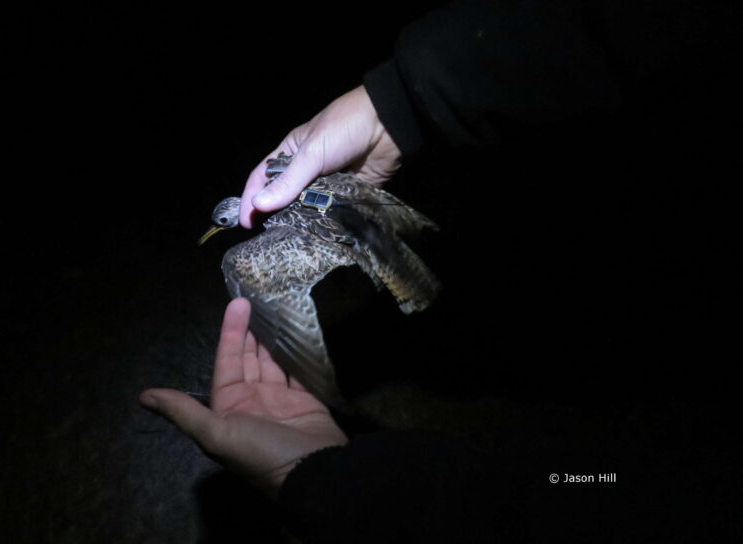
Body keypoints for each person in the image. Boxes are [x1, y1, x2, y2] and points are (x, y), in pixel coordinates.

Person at [141, 1, 739, 540]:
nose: (227, 222)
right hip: (367, 217)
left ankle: (596, 478)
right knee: (587, 482)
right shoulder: (272, 222)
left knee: (584, 483)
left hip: (367, 227)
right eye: (226, 220)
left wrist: (391, 106)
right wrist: (389, 107)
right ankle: (598, 477)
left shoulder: (253, 247)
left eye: (225, 220)